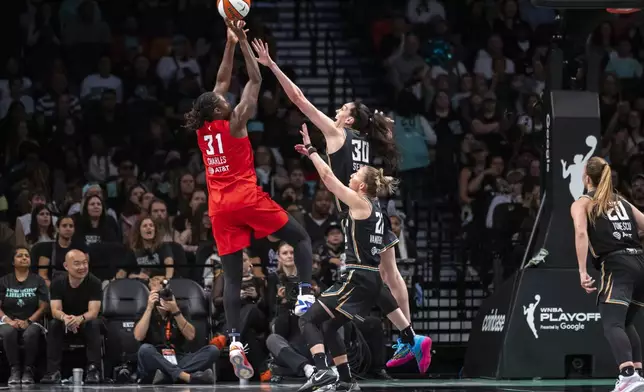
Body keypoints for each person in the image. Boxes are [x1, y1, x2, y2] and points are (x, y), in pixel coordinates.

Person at [252, 39, 431, 371]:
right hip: (378, 207)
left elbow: (298, 99)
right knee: (387, 274)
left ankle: (406, 341)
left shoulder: (337, 133)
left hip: (357, 210)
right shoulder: (365, 139)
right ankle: (411, 337)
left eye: (343, 108)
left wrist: (271, 65)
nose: (337, 110)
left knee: (368, 273)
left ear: (348, 120)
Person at [183, 21, 315, 380]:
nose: (225, 98)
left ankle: (236, 340)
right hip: (244, 196)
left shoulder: (203, 127)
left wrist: (226, 44)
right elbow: (254, 82)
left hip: (219, 206)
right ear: (219, 111)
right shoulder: (236, 122)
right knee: (301, 237)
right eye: (222, 102)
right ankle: (304, 292)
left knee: (230, 274)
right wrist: (242, 42)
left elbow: (220, 83)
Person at [294, 128, 432, 392]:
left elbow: (327, 177)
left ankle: (322, 370)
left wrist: (312, 151)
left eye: (355, 175)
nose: (351, 175)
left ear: (362, 187)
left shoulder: (360, 203)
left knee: (308, 320)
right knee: (331, 327)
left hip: (356, 277)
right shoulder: (377, 208)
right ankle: (347, 378)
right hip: (369, 277)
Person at [570, 156, 644, 392]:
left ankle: (628, 375)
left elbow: (581, 234)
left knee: (612, 322)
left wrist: (582, 271)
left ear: (587, 177)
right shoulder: (622, 201)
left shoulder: (582, 203)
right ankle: (638, 374)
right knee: (626, 321)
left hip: (617, 264)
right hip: (640, 262)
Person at [134, 272, 218, 385]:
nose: (162, 298)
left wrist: (175, 311)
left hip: (177, 356)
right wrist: (149, 308)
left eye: (165, 293)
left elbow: (191, 335)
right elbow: (139, 336)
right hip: (155, 356)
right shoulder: (145, 309)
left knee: (212, 350)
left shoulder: (179, 308)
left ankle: (167, 376)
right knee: (144, 350)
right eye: (159, 294)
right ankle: (185, 376)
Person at [41, 250, 103, 384]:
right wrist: (66, 318)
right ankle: (53, 371)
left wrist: (79, 319)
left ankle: (93, 370)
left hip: (86, 320)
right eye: (77, 264)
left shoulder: (94, 282)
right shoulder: (57, 283)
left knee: (94, 323)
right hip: (66, 321)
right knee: (54, 324)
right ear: (66, 266)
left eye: (85, 263)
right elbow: (55, 310)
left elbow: (93, 312)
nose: (82, 267)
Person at [0, 246, 48, 384]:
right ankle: (14, 370)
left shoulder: (38, 280)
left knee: (31, 333)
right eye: (20, 256)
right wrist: (8, 320)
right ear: (12, 261)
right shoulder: (4, 281)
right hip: (7, 321)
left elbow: (44, 306)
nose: (24, 258)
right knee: (8, 332)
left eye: (27, 255)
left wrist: (29, 321)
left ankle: (28, 370)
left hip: (32, 321)